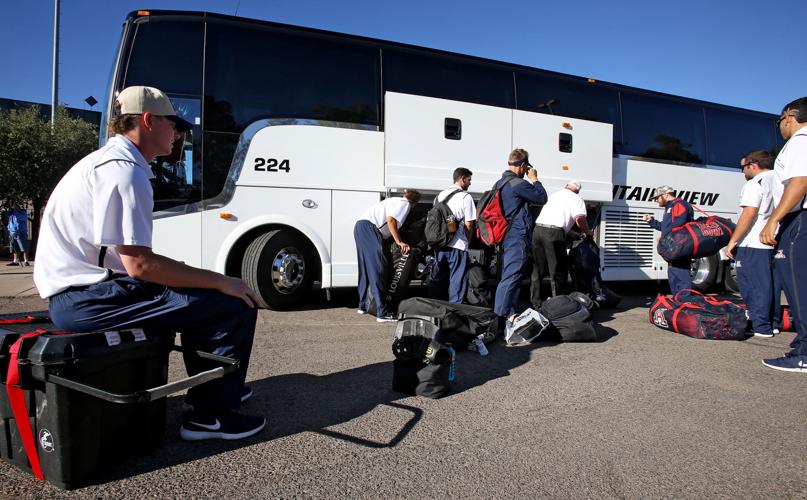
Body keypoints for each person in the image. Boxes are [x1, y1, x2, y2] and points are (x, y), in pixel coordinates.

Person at [33, 86, 266, 441]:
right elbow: (140, 266)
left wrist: (191, 277)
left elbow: (128, 260)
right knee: (233, 302)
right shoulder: (125, 173)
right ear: (147, 120)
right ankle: (210, 416)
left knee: (197, 289)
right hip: (85, 298)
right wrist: (219, 280)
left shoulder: (105, 163)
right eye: (173, 123)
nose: (177, 132)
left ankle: (217, 389)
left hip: (82, 292)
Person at [759, 97, 807, 373]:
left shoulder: (801, 141)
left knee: (799, 289)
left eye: (779, 121)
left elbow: (800, 182)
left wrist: (773, 221)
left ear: (790, 116)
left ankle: (804, 352)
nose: (780, 127)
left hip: (799, 220)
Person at [493, 149, 548, 325]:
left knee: (510, 275)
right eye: (526, 168)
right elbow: (542, 197)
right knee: (512, 275)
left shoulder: (500, 183)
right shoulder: (518, 184)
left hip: (506, 234)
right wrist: (535, 179)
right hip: (517, 235)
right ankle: (500, 316)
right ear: (523, 166)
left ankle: (509, 312)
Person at [725, 151, 777, 338]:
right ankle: (772, 323)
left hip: (753, 242)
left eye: (742, 167)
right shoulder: (777, 180)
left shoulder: (754, 184)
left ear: (753, 165)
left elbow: (749, 214)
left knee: (752, 286)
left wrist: (733, 240)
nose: (742, 172)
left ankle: (760, 326)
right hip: (770, 242)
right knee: (768, 285)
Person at [355, 189, 421, 322]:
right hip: (370, 229)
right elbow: (391, 220)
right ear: (415, 203)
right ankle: (382, 312)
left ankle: (362, 305)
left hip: (360, 227)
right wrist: (400, 242)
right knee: (379, 268)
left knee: (366, 269)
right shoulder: (404, 204)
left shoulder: (394, 200)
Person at [530, 181, 590, 308]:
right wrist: (587, 231)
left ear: (566, 186)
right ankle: (558, 306)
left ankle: (535, 303)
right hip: (553, 235)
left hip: (538, 231)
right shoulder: (577, 199)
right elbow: (580, 219)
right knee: (557, 270)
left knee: (537, 269)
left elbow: (555, 219)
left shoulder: (555, 195)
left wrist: (571, 233)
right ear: (577, 191)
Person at [429, 168, 477, 304]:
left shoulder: (439, 196)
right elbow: (469, 225)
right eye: (469, 179)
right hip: (458, 245)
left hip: (440, 244)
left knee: (438, 280)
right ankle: (455, 313)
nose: (470, 183)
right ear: (462, 178)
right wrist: (468, 242)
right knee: (458, 281)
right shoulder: (465, 197)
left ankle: (435, 310)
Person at [643, 185, 694, 294]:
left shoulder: (679, 205)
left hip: (680, 248)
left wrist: (665, 238)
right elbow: (666, 227)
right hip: (673, 248)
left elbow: (679, 226)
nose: (656, 200)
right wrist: (651, 221)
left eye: (657, 197)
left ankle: (685, 303)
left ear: (665, 195)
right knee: (674, 277)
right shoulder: (670, 207)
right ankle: (678, 303)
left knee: (681, 276)